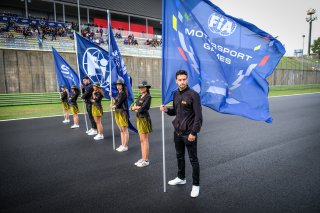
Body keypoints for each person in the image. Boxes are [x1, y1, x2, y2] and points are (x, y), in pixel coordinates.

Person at [160, 70, 203, 198]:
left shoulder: (193, 95)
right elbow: (175, 112)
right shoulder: (175, 94)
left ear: (187, 80)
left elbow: (199, 117)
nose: (182, 82)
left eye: (184, 79)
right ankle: (181, 177)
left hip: (189, 133)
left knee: (193, 160)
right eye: (180, 80)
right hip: (177, 132)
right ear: (176, 81)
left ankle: (196, 185)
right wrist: (167, 110)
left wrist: (193, 132)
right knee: (179, 156)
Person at [131, 81, 152, 167]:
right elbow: (133, 106)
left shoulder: (148, 96)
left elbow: (144, 108)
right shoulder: (140, 96)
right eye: (140, 87)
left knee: (145, 140)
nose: (141, 89)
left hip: (144, 119)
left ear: (146, 88)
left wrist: (137, 107)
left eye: (142, 87)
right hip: (139, 118)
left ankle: (146, 160)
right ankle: (143, 158)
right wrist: (136, 107)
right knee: (141, 140)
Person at [111, 79, 129, 152]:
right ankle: (122, 144)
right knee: (121, 130)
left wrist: (113, 106)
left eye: (119, 85)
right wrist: (112, 97)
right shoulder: (119, 93)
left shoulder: (123, 93)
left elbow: (118, 104)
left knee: (124, 129)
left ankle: (125, 145)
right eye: (117, 85)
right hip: (118, 112)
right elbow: (116, 102)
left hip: (122, 112)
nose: (118, 86)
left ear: (122, 86)